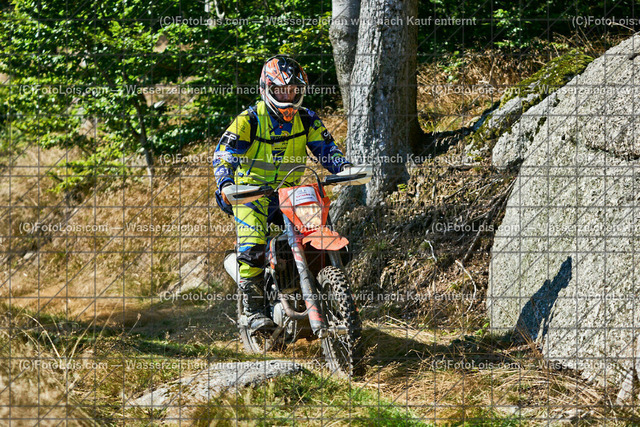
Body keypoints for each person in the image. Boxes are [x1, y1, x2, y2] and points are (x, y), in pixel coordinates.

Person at [213, 55, 353, 333]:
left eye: (292, 90)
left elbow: (327, 149)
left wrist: (344, 168)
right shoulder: (249, 120)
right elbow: (224, 154)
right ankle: (253, 310)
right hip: (250, 193)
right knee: (253, 244)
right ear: (266, 89)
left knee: (319, 233)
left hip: (290, 192)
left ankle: (321, 292)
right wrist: (226, 184)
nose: (287, 95)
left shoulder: (306, 118)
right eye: (280, 90)